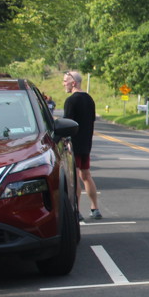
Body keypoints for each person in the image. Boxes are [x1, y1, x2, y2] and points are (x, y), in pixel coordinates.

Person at [62, 70, 101, 220]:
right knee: (86, 175)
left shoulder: (71, 101)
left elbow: (67, 124)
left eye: (65, 81)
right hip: (86, 144)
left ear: (73, 83)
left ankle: (76, 211)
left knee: (75, 178)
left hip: (74, 145)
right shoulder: (89, 99)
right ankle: (95, 208)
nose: (63, 84)